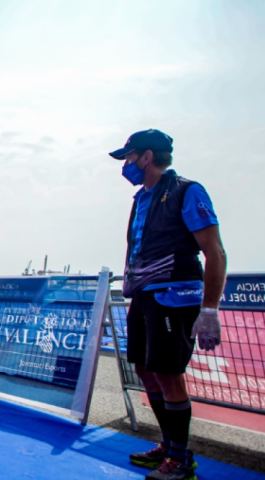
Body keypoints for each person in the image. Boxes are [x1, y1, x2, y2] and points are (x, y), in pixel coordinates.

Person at [109, 129, 226, 480]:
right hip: (144, 295)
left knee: (169, 375)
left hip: (174, 296)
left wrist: (209, 311)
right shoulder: (141, 198)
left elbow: (214, 251)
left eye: (129, 157)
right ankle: (169, 444)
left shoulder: (187, 191)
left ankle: (180, 459)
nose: (126, 165)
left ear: (147, 157)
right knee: (146, 369)